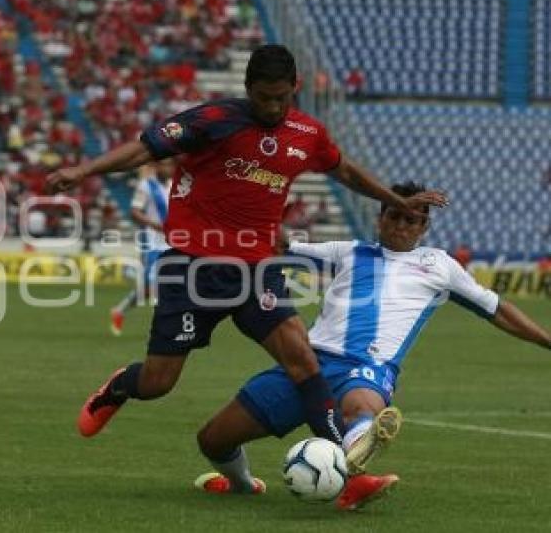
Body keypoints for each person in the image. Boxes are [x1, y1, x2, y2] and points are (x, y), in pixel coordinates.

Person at [45, 44, 447, 452]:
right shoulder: (214, 120)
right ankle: (117, 387)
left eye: (282, 98)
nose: (273, 107)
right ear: (247, 88)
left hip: (257, 268)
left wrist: (396, 201)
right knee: (157, 383)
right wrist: (84, 170)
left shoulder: (308, 134)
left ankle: (345, 462)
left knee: (303, 361)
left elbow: (344, 170)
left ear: (296, 87)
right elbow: (145, 148)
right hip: (193, 266)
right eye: (263, 98)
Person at [193, 182, 551, 510]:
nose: (402, 225)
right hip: (306, 362)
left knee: (361, 405)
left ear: (424, 228)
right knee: (213, 440)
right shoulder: (347, 252)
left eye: (412, 220)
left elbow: (498, 310)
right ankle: (243, 484)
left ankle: (357, 460)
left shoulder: (439, 266)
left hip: (367, 367)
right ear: (380, 218)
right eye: (395, 215)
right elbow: (281, 246)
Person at [110, 160, 174, 336]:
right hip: (152, 243)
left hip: (172, 241)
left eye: (170, 165)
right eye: (163, 165)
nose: (167, 169)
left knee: (148, 288)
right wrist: (154, 225)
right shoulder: (146, 186)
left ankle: (119, 310)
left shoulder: (174, 185)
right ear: (156, 167)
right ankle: (161, 330)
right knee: (156, 283)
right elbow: (135, 211)